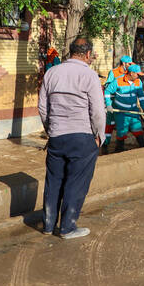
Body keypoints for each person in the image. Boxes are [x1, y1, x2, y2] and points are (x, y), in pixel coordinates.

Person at [38, 37, 106, 240]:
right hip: (82, 136)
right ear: (87, 54)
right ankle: (67, 228)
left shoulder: (52, 73)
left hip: (57, 137)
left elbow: (42, 107)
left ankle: (48, 225)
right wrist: (99, 136)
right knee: (76, 183)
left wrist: (51, 130)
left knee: (54, 181)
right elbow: (97, 112)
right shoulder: (89, 75)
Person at [104, 64, 144, 152]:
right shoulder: (118, 81)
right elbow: (107, 91)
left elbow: (141, 96)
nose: (138, 76)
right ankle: (119, 150)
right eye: (137, 74)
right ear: (131, 73)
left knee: (137, 129)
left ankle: (143, 149)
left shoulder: (138, 82)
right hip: (121, 112)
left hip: (133, 112)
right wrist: (109, 105)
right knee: (121, 132)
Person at [102, 55, 133, 154]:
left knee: (122, 123)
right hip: (112, 102)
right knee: (110, 124)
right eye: (129, 64)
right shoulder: (114, 72)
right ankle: (105, 145)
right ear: (123, 63)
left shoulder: (130, 73)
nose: (130, 65)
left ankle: (120, 147)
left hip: (124, 103)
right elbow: (107, 86)